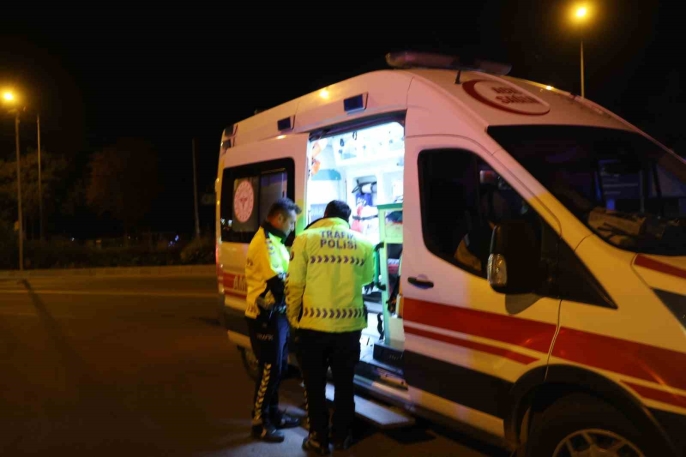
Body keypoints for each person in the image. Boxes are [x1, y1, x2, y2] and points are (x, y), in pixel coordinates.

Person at [286, 200, 375, 455]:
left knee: (314, 386)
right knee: (345, 384)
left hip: (313, 326)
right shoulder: (364, 243)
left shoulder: (305, 239)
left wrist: (294, 317)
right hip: (349, 327)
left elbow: (294, 284)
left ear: (325, 215)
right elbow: (367, 278)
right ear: (348, 219)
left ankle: (318, 438)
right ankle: (342, 436)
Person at [245, 197, 302, 442]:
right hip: (264, 317)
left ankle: (274, 413)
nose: (293, 227)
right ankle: (259, 422)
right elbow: (278, 285)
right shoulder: (265, 243)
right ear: (279, 219)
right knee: (269, 370)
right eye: (291, 222)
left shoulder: (275, 241)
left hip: (277, 315)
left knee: (279, 368)